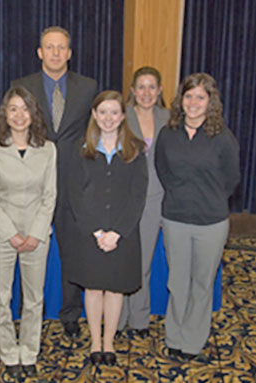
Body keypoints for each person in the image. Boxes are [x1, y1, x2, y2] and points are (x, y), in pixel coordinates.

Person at [12, 26, 98, 340]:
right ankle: (26, 310)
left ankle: (71, 313)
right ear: (39, 52)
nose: (56, 53)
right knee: (27, 250)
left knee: (72, 252)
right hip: (33, 185)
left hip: (75, 184)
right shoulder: (22, 86)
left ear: (70, 53)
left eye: (62, 48)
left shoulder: (89, 88)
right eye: (50, 47)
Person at [155, 73, 240, 361]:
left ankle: (193, 340)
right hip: (175, 218)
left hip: (211, 222)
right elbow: (162, 170)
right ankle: (174, 336)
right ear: (181, 99)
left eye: (200, 97)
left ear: (210, 102)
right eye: (189, 96)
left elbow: (231, 180)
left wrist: (208, 199)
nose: (193, 102)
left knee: (202, 283)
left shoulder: (223, 137)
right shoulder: (168, 133)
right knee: (177, 282)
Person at [68, 90, 148, 366]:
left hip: (122, 234)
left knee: (114, 289)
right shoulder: (81, 149)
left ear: (123, 116)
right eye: (103, 112)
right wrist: (97, 231)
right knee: (93, 288)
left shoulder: (135, 150)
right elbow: (75, 195)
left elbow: (139, 196)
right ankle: (94, 341)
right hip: (90, 233)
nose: (108, 118)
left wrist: (117, 232)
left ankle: (109, 343)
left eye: (114, 112)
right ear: (94, 115)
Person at [0, 86, 56, 379]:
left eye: (25, 108)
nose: (19, 115)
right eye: (13, 108)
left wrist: (35, 234)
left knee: (34, 298)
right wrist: (11, 234)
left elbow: (50, 196)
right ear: (5, 113)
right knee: (0, 297)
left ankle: (29, 351)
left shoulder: (48, 149)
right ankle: (9, 353)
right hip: (2, 233)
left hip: (37, 233)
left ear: (33, 113)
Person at [117, 66, 170, 337]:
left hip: (155, 198)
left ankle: (138, 318)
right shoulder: (121, 116)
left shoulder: (169, 118)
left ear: (160, 90)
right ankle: (118, 317)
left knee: (143, 263)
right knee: (122, 259)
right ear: (133, 91)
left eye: (152, 87)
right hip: (125, 198)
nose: (146, 93)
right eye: (141, 87)